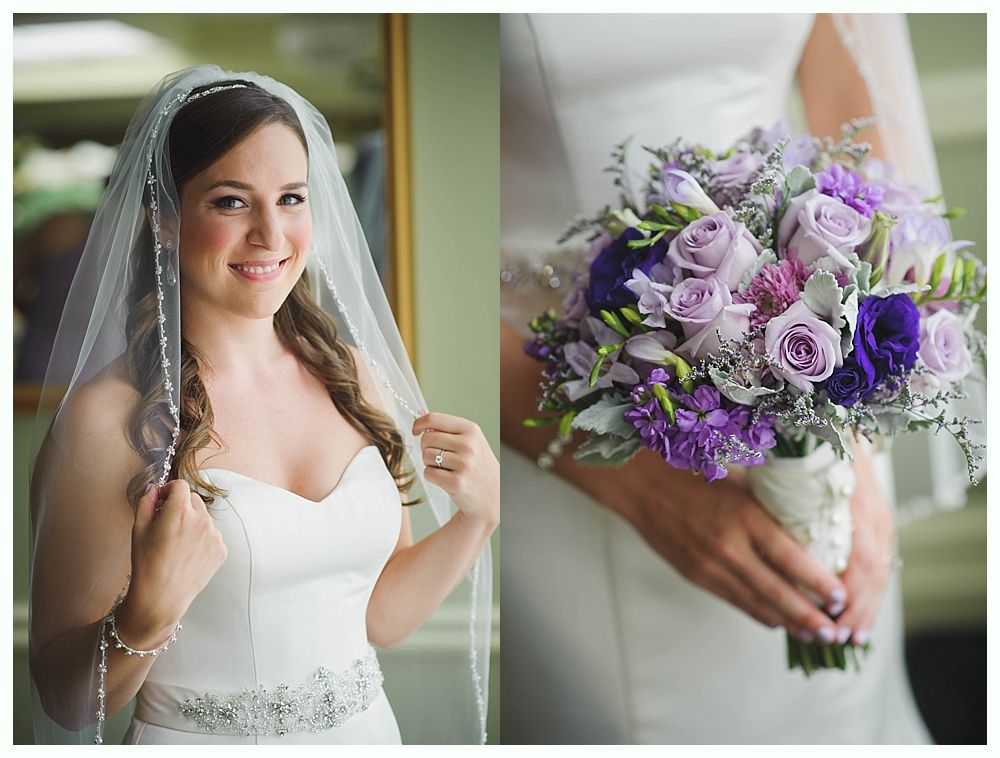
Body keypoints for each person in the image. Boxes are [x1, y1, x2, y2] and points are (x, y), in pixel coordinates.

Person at [500, 13, 963, 743]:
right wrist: (648, 493)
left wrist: (856, 451)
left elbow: (869, 140)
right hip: (551, 427)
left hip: (815, 428)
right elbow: (426, 241)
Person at [29, 65, 497, 745]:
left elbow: (381, 618)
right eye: (230, 201)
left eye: (291, 199)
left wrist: (478, 518)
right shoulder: (111, 422)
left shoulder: (352, 377)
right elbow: (67, 703)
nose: (271, 236)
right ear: (164, 219)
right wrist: (142, 617)